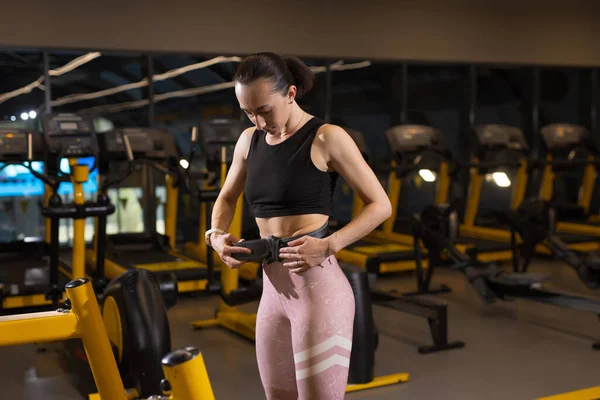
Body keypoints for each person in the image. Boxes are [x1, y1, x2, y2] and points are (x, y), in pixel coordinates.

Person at [205, 52, 392, 400]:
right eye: (248, 112)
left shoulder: (326, 138)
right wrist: (215, 235)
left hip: (319, 293)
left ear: (290, 94)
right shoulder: (249, 140)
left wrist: (330, 244)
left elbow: (381, 205)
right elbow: (227, 197)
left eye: (264, 110)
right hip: (272, 295)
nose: (258, 121)